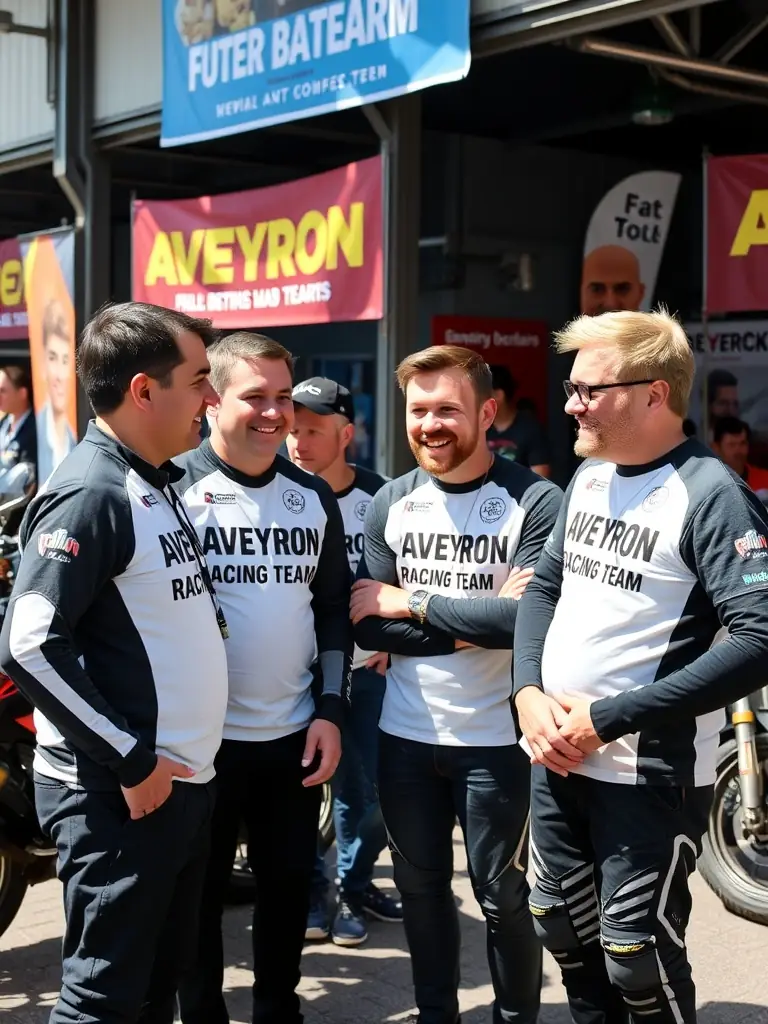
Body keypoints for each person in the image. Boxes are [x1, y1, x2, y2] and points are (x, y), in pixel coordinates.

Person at [513, 308, 768, 1024]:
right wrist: (527, 692)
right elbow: (544, 589)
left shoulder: (713, 495)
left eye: (589, 389)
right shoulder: (589, 477)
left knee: (636, 954)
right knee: (559, 923)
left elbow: (758, 640)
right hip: (556, 755)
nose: (571, 403)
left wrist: (606, 719)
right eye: (571, 387)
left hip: (646, 772)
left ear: (654, 394)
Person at [0, 301, 229, 1024]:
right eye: (199, 380)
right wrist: (131, 759)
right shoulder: (90, 493)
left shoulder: (155, 477)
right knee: (103, 1000)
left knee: (154, 986)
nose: (212, 399)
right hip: (121, 795)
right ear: (143, 391)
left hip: (175, 789)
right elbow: (31, 643)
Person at [351, 344, 562, 1024]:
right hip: (405, 739)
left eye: (448, 409)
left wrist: (408, 602)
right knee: (420, 890)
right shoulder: (392, 501)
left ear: (488, 411)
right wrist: (489, 619)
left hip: (499, 739)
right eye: (419, 410)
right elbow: (369, 628)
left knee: (502, 895)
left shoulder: (533, 499)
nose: (431, 425)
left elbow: (531, 621)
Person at [175, 335, 353, 1024]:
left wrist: (332, 710)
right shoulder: (173, 488)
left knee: (285, 895)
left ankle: (279, 1011)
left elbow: (334, 610)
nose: (275, 412)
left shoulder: (311, 496)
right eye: (257, 397)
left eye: (283, 396)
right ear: (212, 398)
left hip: (292, 740)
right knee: (197, 901)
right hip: (200, 746)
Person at [286, 376, 401, 947]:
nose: (298, 441)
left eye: (313, 430)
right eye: (293, 429)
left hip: (368, 670)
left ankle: (355, 888)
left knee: (368, 789)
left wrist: (393, 641)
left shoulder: (384, 497)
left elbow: (412, 577)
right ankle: (313, 892)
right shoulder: (276, 489)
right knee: (299, 789)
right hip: (293, 674)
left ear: (347, 434)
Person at [36, 298, 77, 485]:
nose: (60, 375)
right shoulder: (36, 430)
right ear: (43, 362)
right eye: (53, 358)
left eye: (65, 360)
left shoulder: (77, 439)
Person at [487, 363, 550, 476]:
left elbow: (541, 478)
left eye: (480, 394)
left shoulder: (530, 429)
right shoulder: (478, 429)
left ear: (498, 395)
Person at [0, 364, 38, 527]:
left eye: (3, 391)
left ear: (22, 393)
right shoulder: (4, 423)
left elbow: (27, 484)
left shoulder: (34, 430)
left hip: (15, 520)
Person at [712, 415, 768, 503]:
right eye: (732, 445)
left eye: (743, 443)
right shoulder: (709, 484)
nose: (738, 451)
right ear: (716, 447)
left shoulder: (765, 479)